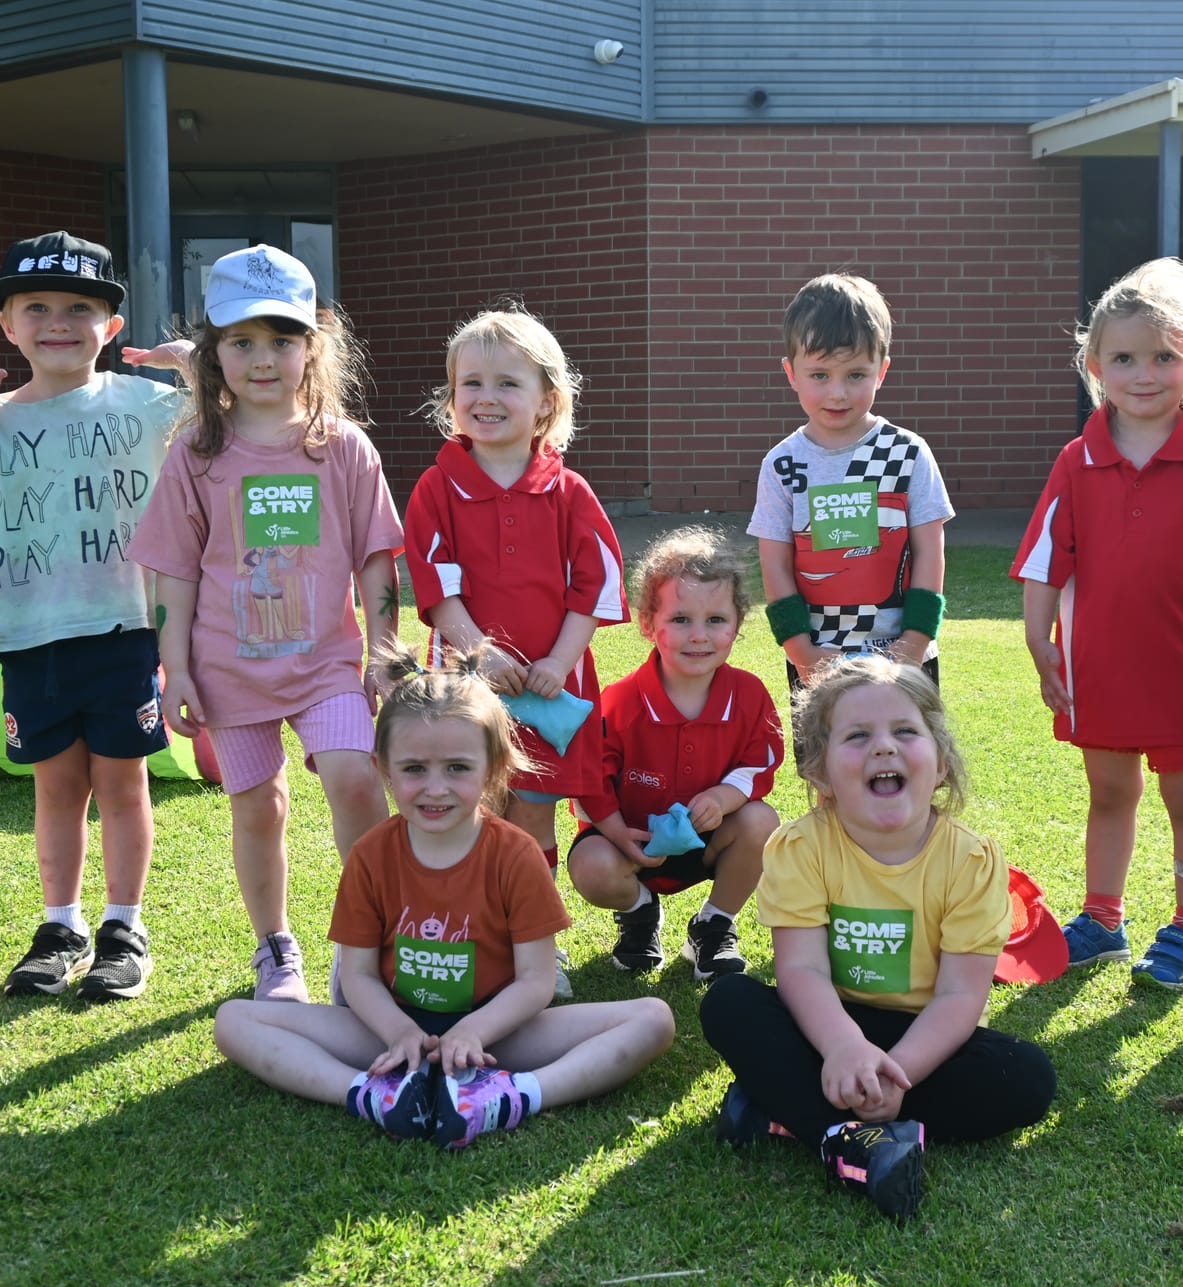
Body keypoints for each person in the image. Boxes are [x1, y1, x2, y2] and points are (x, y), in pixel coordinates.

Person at [212, 646, 675, 1149]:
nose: (436, 788)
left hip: (500, 1034)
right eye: (414, 769)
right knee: (234, 1019)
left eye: (457, 767)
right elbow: (360, 974)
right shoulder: (371, 856)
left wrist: (475, 1032)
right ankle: (370, 1094)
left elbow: (537, 980)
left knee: (653, 1018)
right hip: (389, 1032)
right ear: (383, 769)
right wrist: (399, 1034)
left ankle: (512, 1096)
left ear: (494, 768)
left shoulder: (515, 855)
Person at [129, 244, 402, 1002]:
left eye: (282, 340)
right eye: (241, 341)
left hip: (326, 665)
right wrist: (176, 665)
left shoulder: (342, 447)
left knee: (354, 779)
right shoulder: (194, 453)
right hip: (228, 668)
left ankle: (368, 943)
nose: (262, 358)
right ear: (213, 353)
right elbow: (174, 570)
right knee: (259, 806)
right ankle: (275, 949)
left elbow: (378, 556)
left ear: (312, 347)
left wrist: (384, 651)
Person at [699, 656, 1057, 1222]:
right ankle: (850, 1141)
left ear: (939, 763)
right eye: (858, 735)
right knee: (729, 1002)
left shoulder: (971, 861)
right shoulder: (800, 848)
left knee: (1028, 1078)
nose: (884, 748)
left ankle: (784, 1110)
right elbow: (802, 972)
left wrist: (898, 1072)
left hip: (922, 1037)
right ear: (819, 772)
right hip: (824, 1025)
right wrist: (843, 1047)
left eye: (905, 732)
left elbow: (961, 996)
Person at [0, 232, 192, 1003]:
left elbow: (230, 421)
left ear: (111, 328)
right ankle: (60, 927)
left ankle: (123, 926)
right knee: (57, 788)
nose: (58, 322)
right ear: (8, 324)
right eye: (36, 307)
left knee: (122, 783)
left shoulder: (144, 402)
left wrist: (190, 366)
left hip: (122, 627)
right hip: (32, 634)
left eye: (80, 307)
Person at [1010, 259, 1183, 990]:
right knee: (1108, 793)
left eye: (1165, 356)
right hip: (1099, 668)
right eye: (1125, 357)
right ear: (1095, 365)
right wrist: (1038, 639)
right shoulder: (1078, 460)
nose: (1145, 373)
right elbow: (1047, 557)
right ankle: (1102, 920)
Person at [402, 307, 628, 998]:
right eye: (471, 383)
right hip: (465, 689)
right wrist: (479, 654)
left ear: (547, 402)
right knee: (469, 806)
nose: (487, 398)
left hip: (551, 691)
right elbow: (435, 588)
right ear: (451, 399)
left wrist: (558, 661)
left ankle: (536, 947)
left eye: (508, 383)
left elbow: (597, 584)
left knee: (531, 814)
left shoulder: (569, 491)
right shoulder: (437, 487)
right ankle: (472, 935)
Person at [566, 526, 783, 977]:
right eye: (681, 619)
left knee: (762, 821)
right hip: (630, 842)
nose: (699, 636)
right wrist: (615, 830)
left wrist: (724, 798)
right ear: (649, 624)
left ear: (737, 625)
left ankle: (713, 925)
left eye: (716, 620)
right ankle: (640, 913)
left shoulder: (748, 694)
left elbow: (761, 759)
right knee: (589, 864)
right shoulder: (621, 701)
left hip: (709, 841)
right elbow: (589, 776)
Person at [749, 273, 954, 691]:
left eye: (856, 374)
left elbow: (930, 553)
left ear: (882, 371)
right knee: (824, 759)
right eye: (820, 375)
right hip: (818, 662)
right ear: (791, 373)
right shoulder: (781, 465)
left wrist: (914, 642)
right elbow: (775, 565)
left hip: (905, 660)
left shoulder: (908, 454)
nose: (838, 393)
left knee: (907, 757)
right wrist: (801, 653)